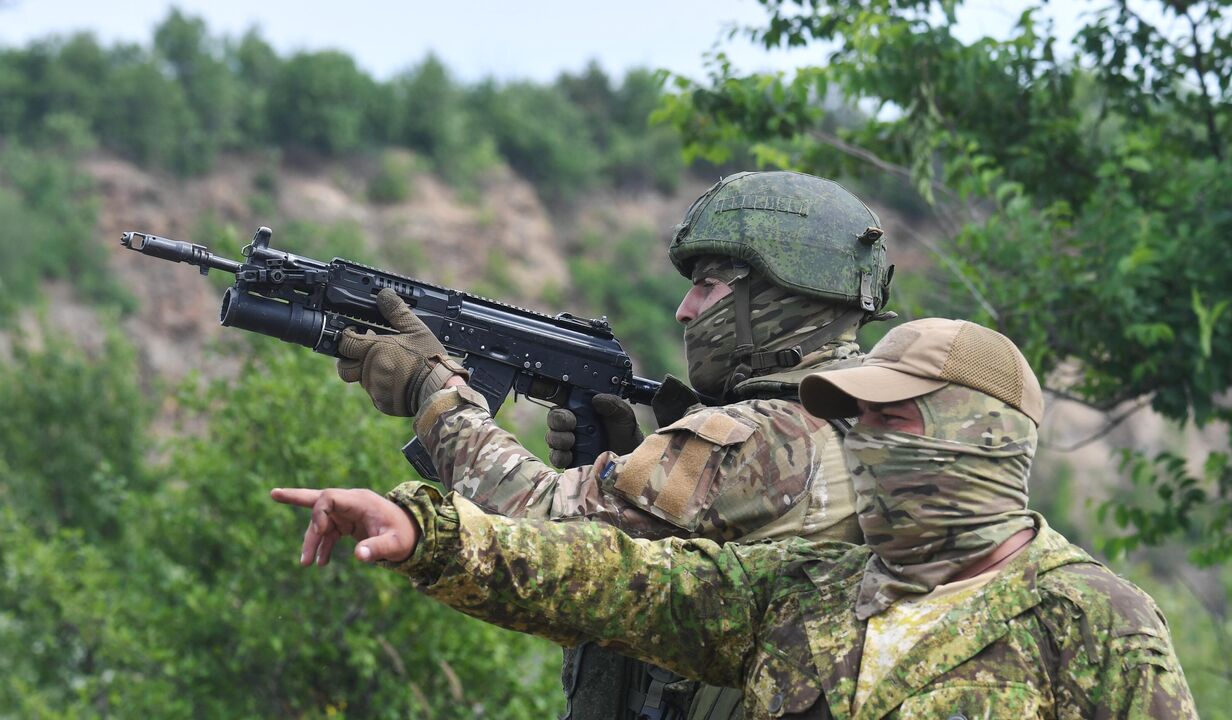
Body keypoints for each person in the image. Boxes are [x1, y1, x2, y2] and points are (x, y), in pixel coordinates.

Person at [274, 318, 1197, 719]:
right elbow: (606, 581)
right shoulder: (807, 588)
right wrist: (431, 532)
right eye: (852, 418)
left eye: (889, 417)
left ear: (979, 435)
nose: (860, 441)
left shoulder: (1092, 622)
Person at [331, 171, 895, 719]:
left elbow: (544, 536)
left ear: (780, 296)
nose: (685, 310)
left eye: (709, 286)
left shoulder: (765, 433)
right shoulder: (863, 417)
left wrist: (438, 395)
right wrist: (630, 465)